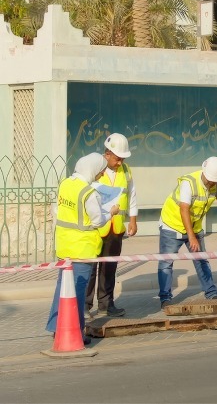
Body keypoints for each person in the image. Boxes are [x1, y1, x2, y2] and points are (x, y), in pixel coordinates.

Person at [46, 153, 119, 344]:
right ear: (93, 169)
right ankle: (75, 332)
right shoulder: (89, 193)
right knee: (77, 293)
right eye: (101, 171)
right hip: (82, 249)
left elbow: (58, 211)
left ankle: (56, 327)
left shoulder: (65, 184)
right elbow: (97, 221)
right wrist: (110, 213)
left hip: (64, 245)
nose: (101, 175)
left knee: (62, 288)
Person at [158, 156, 217, 309]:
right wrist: (191, 237)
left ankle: (211, 293)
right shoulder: (188, 183)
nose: (211, 183)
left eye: (214, 181)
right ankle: (165, 298)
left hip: (194, 226)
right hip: (172, 225)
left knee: (202, 260)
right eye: (210, 180)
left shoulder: (216, 183)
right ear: (204, 172)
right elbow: (184, 209)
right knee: (166, 263)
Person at [85, 133, 138, 318]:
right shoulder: (94, 169)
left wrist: (133, 219)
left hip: (116, 228)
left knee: (109, 268)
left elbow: (131, 194)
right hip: (96, 227)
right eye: (117, 158)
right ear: (107, 154)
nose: (119, 162)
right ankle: (85, 305)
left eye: (122, 158)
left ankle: (106, 304)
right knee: (91, 269)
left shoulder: (126, 170)